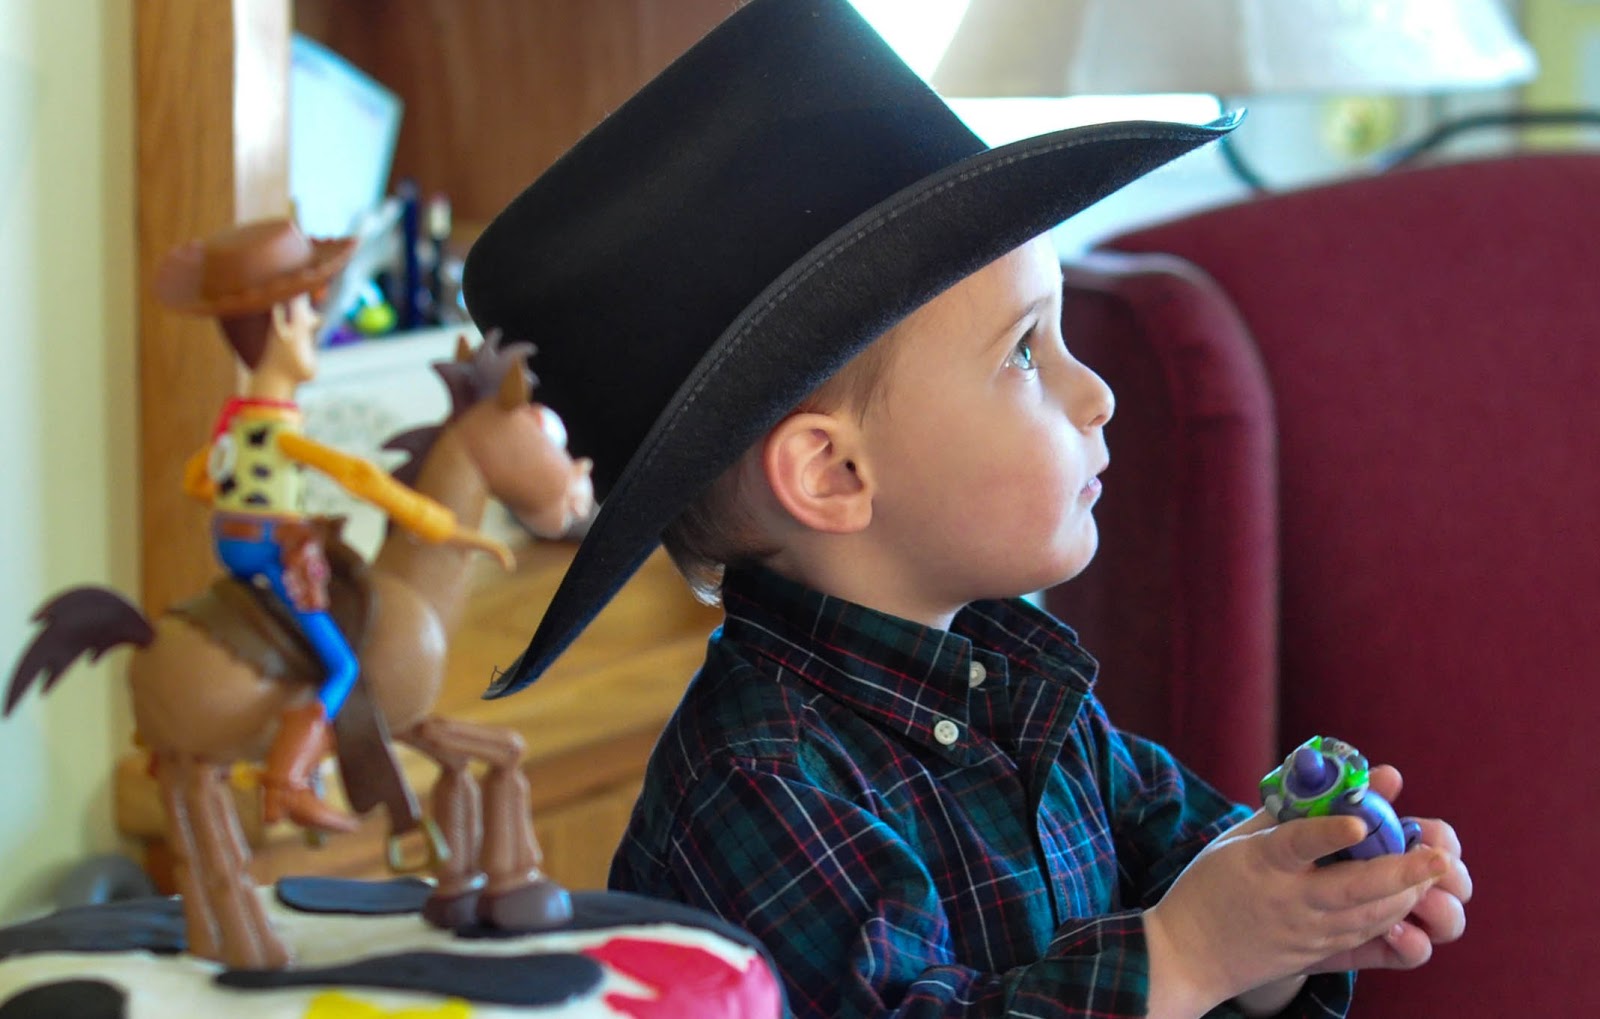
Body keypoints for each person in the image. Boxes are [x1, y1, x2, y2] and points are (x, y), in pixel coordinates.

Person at [457, 1, 1471, 1016]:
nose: (1096, 393)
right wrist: (1194, 952)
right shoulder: (761, 783)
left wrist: (1292, 913)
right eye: (1025, 351)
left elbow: (1193, 872)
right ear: (832, 473)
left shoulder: (1021, 682)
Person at [158, 217, 511, 834]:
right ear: (279, 325)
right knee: (343, 667)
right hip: (265, 550)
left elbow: (198, 480)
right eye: (305, 316)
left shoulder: (237, 420)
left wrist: (240, 493)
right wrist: (444, 527)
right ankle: (288, 779)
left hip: (232, 543)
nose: (315, 329)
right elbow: (361, 478)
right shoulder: (279, 426)